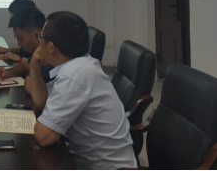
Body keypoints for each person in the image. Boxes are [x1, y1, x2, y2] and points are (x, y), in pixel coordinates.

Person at [29, 11, 136, 169]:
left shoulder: (74, 76)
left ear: (50, 47)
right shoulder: (81, 63)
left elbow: (44, 137)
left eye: (40, 38)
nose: (39, 44)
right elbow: (41, 101)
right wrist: (34, 66)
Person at [0, 7, 54, 86]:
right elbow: (24, 66)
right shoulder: (39, 53)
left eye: (21, 39)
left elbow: (29, 85)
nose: (19, 44)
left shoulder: (50, 57)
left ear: (36, 36)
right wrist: (9, 72)